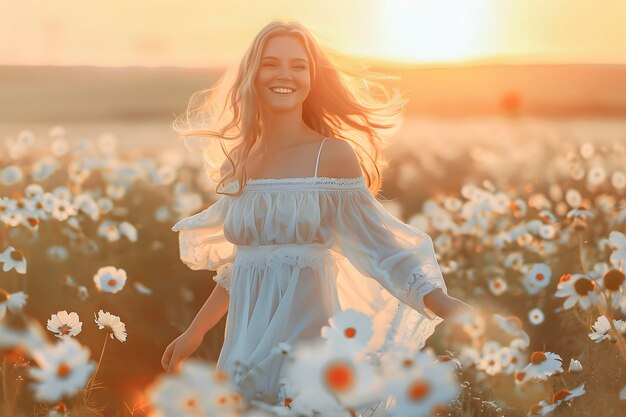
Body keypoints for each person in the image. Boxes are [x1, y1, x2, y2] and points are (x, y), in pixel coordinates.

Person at [161, 19, 473, 415]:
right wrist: (196, 330)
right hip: (244, 340)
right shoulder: (239, 163)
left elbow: (379, 248)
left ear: (312, 78)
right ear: (253, 74)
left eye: (298, 65)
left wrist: (442, 301)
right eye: (271, 63)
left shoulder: (332, 156)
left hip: (308, 338)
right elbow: (243, 265)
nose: (285, 75)